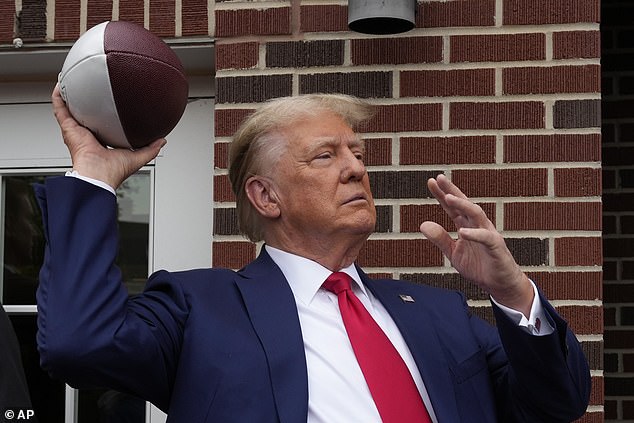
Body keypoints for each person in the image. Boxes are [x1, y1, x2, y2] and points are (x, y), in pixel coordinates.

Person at [35, 84, 591, 422]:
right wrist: (93, 178)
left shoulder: (440, 314)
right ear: (266, 196)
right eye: (325, 156)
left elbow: (556, 405)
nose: (356, 167)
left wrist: (512, 291)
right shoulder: (197, 308)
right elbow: (77, 344)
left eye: (356, 153)